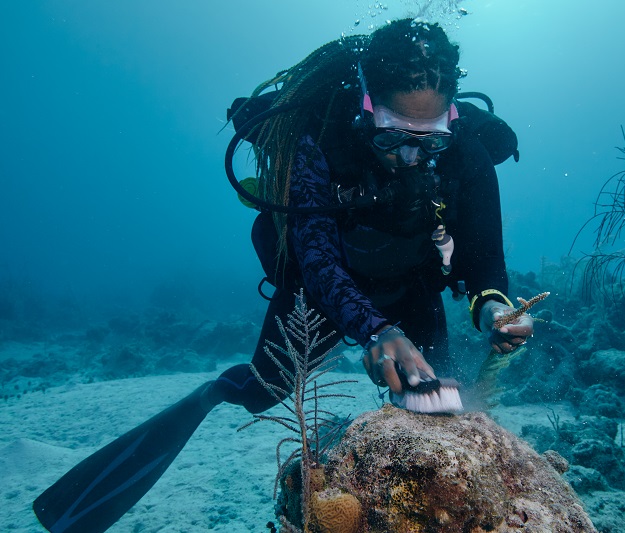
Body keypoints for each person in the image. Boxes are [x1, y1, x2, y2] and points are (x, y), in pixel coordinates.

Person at [33, 19, 533, 533]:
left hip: (413, 287)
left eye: (428, 140)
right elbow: (315, 256)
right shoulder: (321, 138)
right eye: (392, 135)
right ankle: (216, 392)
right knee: (261, 390)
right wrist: (376, 330)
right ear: (365, 107)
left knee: (438, 404)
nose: (409, 157)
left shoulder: (468, 151)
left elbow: (483, 258)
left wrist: (494, 307)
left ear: (451, 118)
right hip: (317, 294)